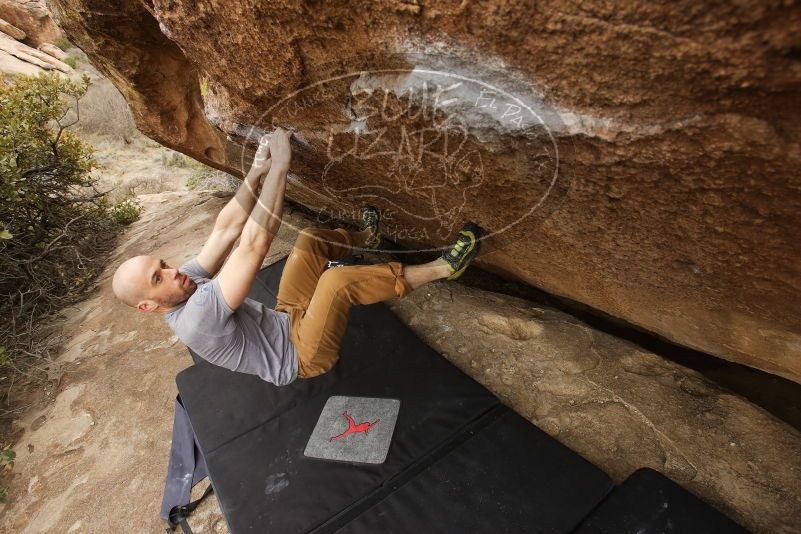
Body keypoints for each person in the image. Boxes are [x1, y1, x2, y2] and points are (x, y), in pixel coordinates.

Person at [111, 128, 482, 385]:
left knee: (309, 241)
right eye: (158, 278)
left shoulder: (185, 285)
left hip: (287, 318)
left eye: (162, 264)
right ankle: (444, 268)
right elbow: (253, 246)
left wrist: (257, 170)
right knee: (337, 282)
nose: (173, 271)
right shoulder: (195, 319)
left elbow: (225, 230)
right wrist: (281, 167)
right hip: (302, 355)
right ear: (148, 306)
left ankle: (368, 237)